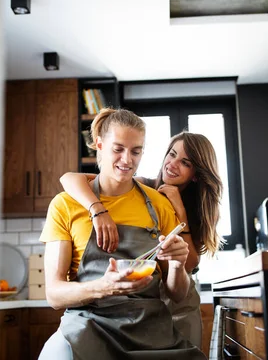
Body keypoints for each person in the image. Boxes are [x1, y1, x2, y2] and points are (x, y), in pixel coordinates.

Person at [38, 108, 206, 360]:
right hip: (89, 324)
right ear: (99, 145)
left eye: (136, 151)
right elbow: (54, 295)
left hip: (151, 330)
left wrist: (176, 265)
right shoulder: (66, 204)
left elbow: (177, 293)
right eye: (118, 149)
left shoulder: (158, 203)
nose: (127, 160)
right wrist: (102, 288)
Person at [59, 131, 224, 349]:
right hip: (147, 300)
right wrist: (97, 210)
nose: (172, 164)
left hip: (181, 300)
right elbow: (68, 179)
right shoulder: (140, 186)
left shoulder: (199, 209)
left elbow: (190, 263)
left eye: (184, 162)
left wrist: (179, 210)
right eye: (171, 154)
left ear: (196, 174)